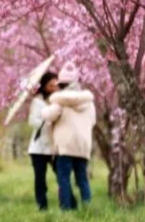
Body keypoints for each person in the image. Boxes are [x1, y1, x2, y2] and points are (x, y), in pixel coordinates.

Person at [42, 62, 96, 211]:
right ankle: (88, 208)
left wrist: (47, 107)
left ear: (61, 84)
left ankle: (66, 211)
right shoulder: (89, 102)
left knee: (64, 179)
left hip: (65, 146)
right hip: (83, 146)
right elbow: (93, 121)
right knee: (83, 180)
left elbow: (48, 115)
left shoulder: (60, 101)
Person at [27, 70, 59, 211]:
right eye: (51, 85)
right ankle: (42, 206)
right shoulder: (37, 101)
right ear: (44, 85)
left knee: (61, 175)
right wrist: (46, 120)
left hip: (55, 146)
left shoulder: (59, 100)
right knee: (40, 179)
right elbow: (32, 121)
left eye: (56, 85)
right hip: (38, 148)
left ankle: (69, 204)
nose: (54, 88)